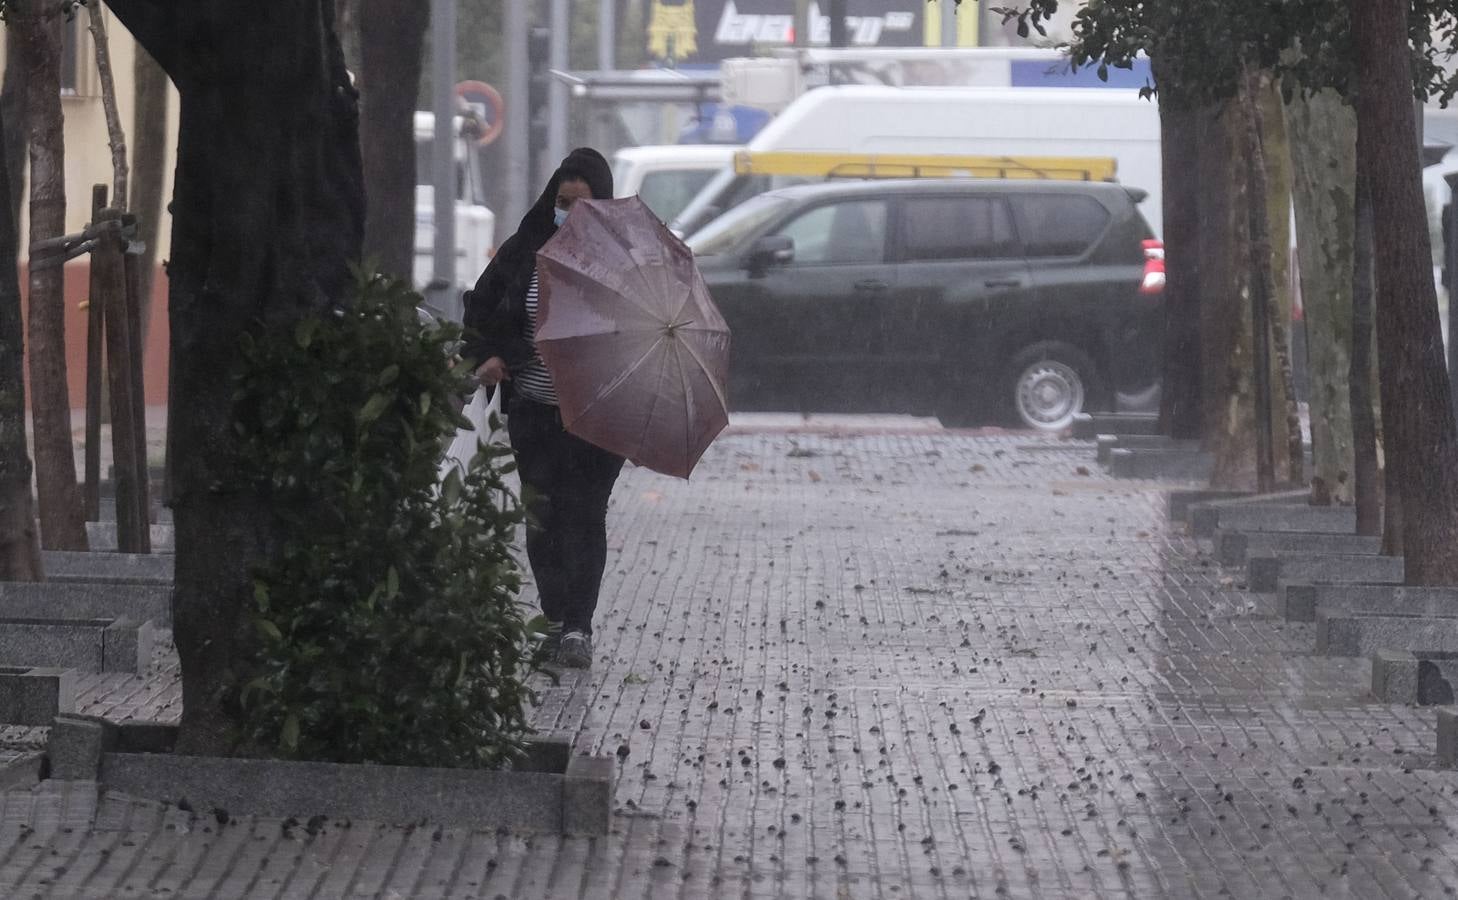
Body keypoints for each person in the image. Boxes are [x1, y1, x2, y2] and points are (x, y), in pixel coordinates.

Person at [462, 148, 622, 669]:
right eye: (561, 201)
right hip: (533, 409)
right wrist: (487, 355)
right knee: (543, 515)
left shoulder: (620, 263)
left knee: (584, 513)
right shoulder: (524, 249)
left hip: (597, 415)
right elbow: (482, 308)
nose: (568, 213)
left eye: (582, 205)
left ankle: (578, 626)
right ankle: (553, 620)